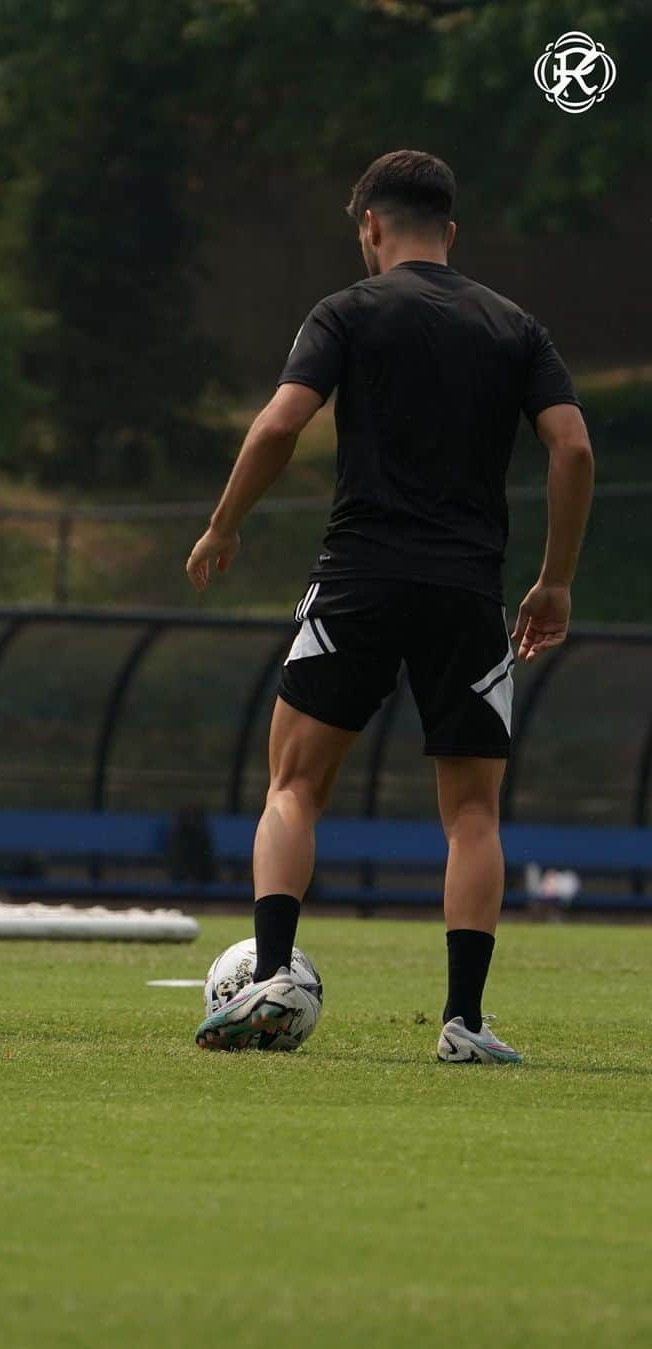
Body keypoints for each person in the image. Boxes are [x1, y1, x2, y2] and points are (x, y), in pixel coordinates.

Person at [187, 151, 594, 1063]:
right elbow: (571, 450)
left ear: (369, 225)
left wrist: (222, 526)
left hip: (359, 580)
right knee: (473, 815)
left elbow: (282, 423)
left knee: (293, 786)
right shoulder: (515, 325)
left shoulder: (347, 310)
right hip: (468, 592)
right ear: (449, 230)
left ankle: (274, 975)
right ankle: (465, 1024)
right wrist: (554, 577)